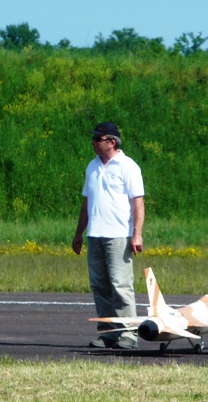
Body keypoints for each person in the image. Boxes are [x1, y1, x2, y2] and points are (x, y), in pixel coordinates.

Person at [72, 122, 145, 349]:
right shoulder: (92, 167)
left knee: (121, 285)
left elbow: (138, 204)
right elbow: (87, 203)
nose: (93, 143)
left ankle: (129, 334)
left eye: (98, 139)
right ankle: (108, 333)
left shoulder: (128, 166)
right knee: (100, 286)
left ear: (111, 142)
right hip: (95, 235)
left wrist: (137, 234)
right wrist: (79, 233)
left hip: (118, 235)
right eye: (93, 139)